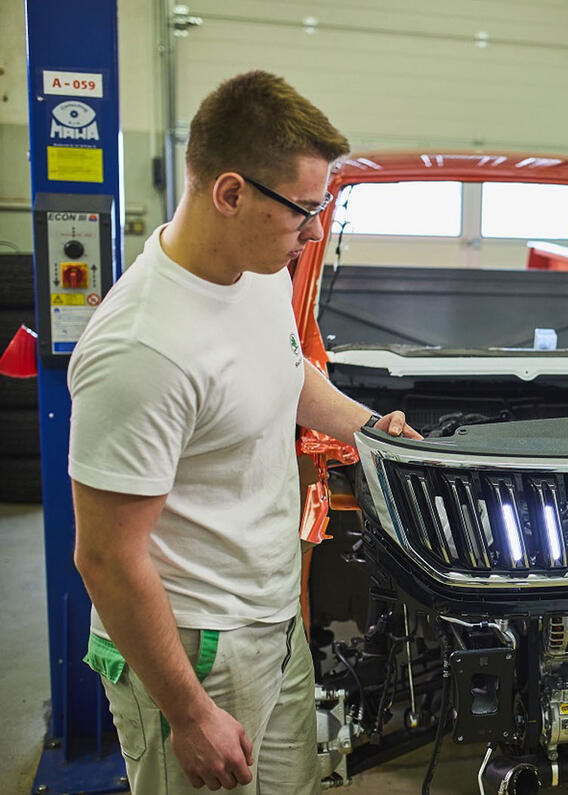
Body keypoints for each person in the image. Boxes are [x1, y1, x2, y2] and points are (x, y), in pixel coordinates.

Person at [68, 71, 418, 793]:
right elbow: (105, 558)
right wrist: (189, 712)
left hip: (273, 619)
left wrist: (371, 430)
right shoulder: (142, 349)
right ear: (230, 194)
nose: (315, 230)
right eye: (304, 211)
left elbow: (287, 375)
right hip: (193, 649)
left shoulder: (257, 270)